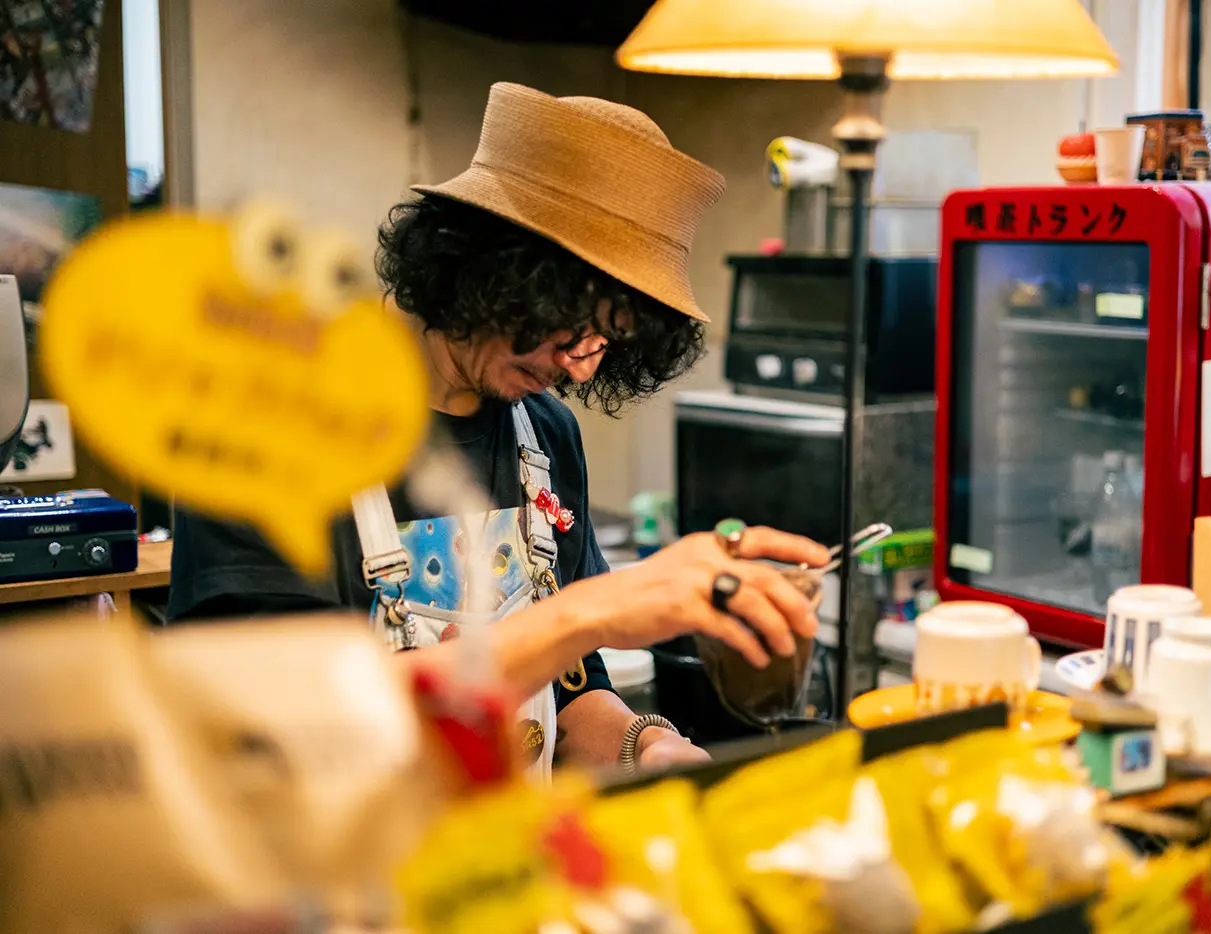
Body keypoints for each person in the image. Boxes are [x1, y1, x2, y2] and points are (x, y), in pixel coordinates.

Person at [167, 82, 828, 780]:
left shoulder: (544, 435)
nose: (582, 361)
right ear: (485, 272)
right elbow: (265, 727)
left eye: (611, 337)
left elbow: (571, 694)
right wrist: (591, 611)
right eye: (571, 317)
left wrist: (648, 745)